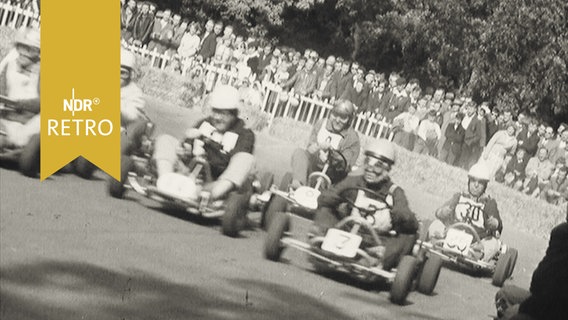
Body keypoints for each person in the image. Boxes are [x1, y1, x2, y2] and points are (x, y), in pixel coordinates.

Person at [309, 139, 419, 271]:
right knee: (326, 209)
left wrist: (398, 215)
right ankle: (322, 235)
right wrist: (339, 197)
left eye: (377, 165)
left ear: (387, 169)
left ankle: (376, 258)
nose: (370, 170)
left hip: (376, 242)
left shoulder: (395, 193)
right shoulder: (354, 181)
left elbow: (409, 221)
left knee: (409, 236)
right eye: (367, 162)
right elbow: (324, 199)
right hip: (348, 231)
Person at [152, 85, 255, 201]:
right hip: (188, 174)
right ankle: (165, 180)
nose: (217, 118)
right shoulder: (205, 123)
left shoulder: (244, 133)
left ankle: (210, 197)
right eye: (215, 112)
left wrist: (211, 146)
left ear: (234, 114)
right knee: (165, 139)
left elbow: (237, 163)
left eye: (223, 114)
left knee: (246, 159)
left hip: (216, 181)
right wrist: (185, 149)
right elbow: (186, 144)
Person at [428, 162, 503, 261]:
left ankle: (477, 254)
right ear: (468, 181)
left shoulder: (489, 203)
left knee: (493, 242)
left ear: (485, 186)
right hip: (452, 232)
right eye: (473, 181)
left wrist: (494, 223)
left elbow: (498, 225)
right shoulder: (459, 196)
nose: (476, 185)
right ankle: (438, 242)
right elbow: (439, 212)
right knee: (436, 224)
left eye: (480, 183)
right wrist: (443, 212)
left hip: (475, 241)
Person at [495, 218, 568, 320]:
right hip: (544, 301)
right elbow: (540, 284)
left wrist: (523, 308)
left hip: (557, 310)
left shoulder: (562, 235)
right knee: (503, 295)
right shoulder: (561, 232)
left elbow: (554, 298)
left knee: (517, 318)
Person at [290, 100, 360, 190]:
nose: (337, 120)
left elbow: (346, 164)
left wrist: (331, 156)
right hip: (314, 166)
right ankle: (298, 184)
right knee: (299, 152)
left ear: (349, 120)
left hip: (333, 175)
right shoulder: (321, 124)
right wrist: (319, 149)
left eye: (343, 117)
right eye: (335, 115)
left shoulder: (352, 138)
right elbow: (310, 145)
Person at [0, 27, 41, 149]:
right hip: (8, 118)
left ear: (38, 52)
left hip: (30, 121)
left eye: (29, 50)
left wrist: (19, 104)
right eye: (20, 47)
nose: (23, 53)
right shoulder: (10, 65)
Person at [119, 48, 149, 156]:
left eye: (122, 73)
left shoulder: (135, 92)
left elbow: (132, 115)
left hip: (122, 129)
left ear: (130, 75)